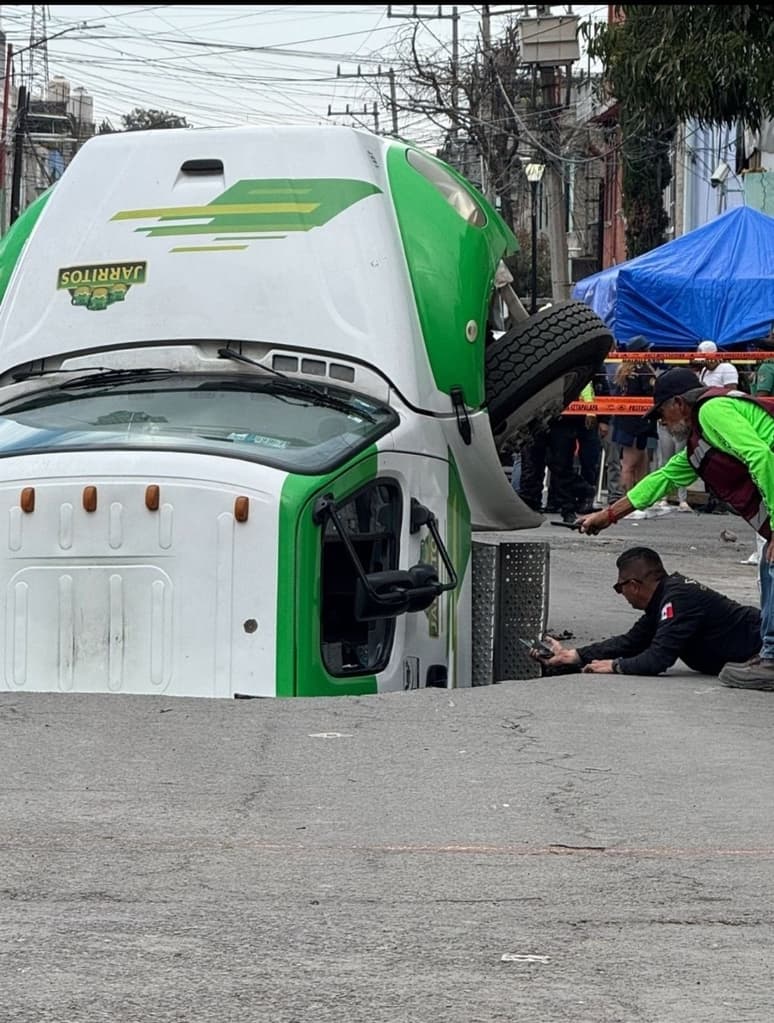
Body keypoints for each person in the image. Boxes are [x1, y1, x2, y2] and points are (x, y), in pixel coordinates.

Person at [577, 366, 774, 691]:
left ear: (679, 403)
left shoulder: (712, 411)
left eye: (662, 413)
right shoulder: (700, 446)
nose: (662, 423)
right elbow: (662, 478)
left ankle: (770, 658)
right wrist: (608, 515)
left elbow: (762, 457)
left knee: (771, 565)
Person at [534, 547, 760, 676]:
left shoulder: (677, 599)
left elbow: (657, 659)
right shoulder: (666, 597)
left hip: (760, 647)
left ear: (633, 585)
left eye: (618, 587)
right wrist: (575, 655)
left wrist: (615, 666)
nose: (620, 594)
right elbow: (632, 641)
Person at [609, 336, 659, 516]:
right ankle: (628, 504)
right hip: (637, 423)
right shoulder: (643, 369)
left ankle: (641, 501)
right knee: (630, 465)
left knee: (642, 461)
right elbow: (651, 393)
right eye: (647, 349)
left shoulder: (623, 369)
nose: (650, 352)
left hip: (625, 421)